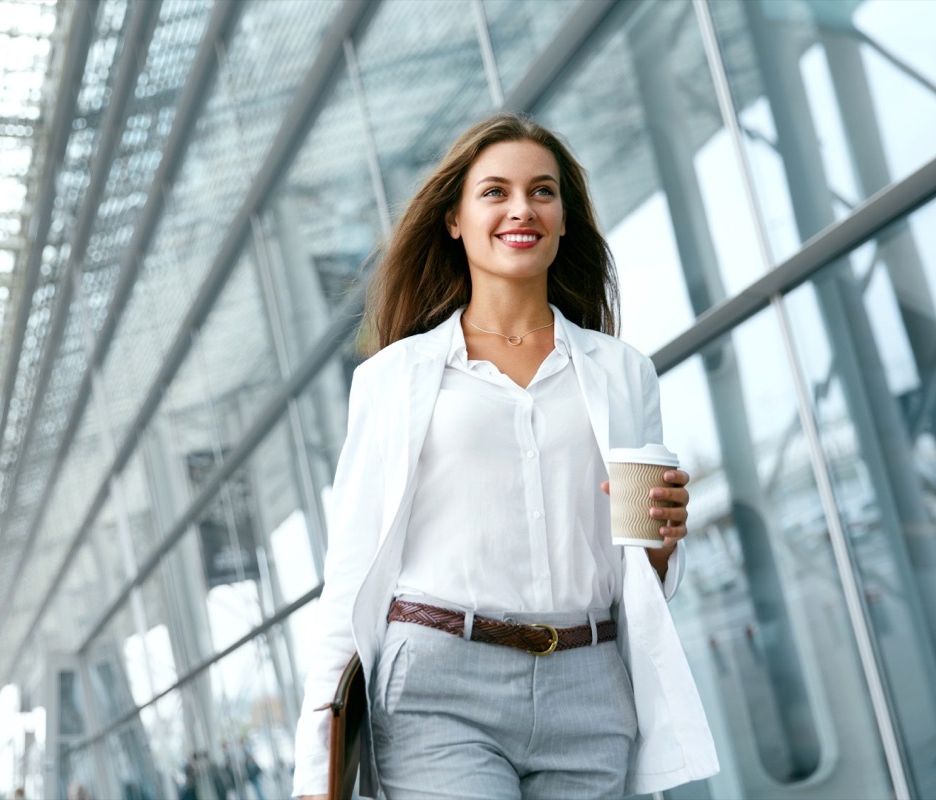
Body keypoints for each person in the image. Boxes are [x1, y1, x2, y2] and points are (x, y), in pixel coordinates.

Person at [292, 112, 719, 799]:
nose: (522, 208)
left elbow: (638, 567)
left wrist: (663, 537)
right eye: (495, 192)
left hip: (590, 684)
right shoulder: (394, 378)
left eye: (542, 192)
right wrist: (316, 769)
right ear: (455, 220)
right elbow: (351, 568)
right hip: (439, 686)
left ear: (564, 219)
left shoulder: (622, 372)